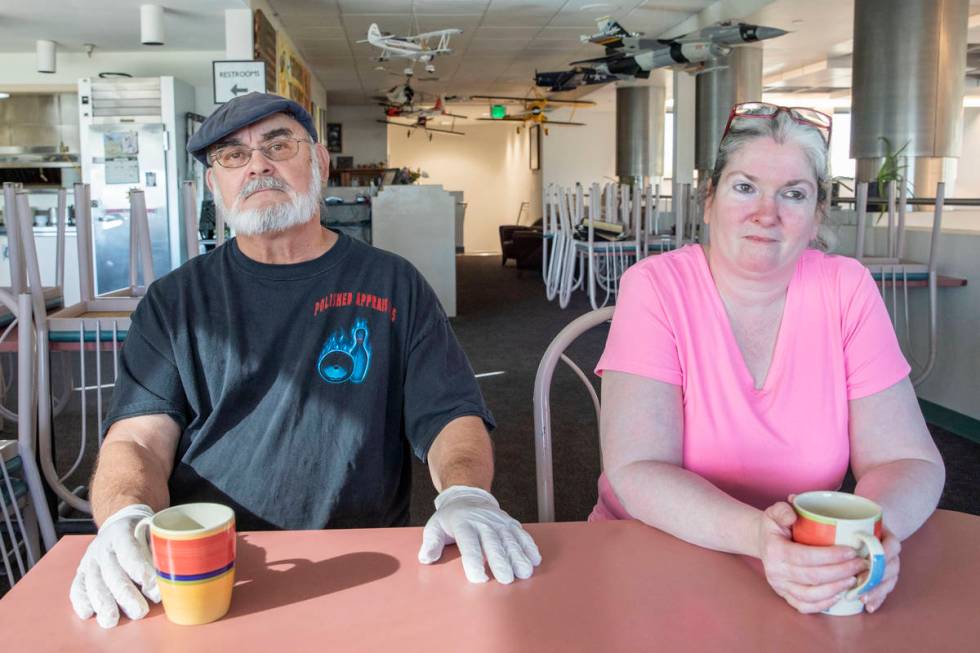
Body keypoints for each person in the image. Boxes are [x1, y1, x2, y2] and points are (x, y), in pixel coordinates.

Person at [69, 93, 540, 629]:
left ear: (318, 161)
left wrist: (465, 493)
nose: (257, 164)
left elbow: (450, 413)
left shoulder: (393, 283)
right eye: (232, 156)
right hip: (210, 561)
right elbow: (137, 439)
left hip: (367, 556)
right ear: (213, 184)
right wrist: (125, 516)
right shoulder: (175, 301)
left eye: (277, 144)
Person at [593, 102, 945, 615]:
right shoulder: (655, 286)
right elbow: (638, 467)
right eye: (744, 186)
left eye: (793, 194)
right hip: (658, 553)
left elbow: (908, 459)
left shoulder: (846, 289)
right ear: (709, 200)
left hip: (808, 574)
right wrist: (761, 537)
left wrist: (871, 530)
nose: (766, 213)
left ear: (816, 215)